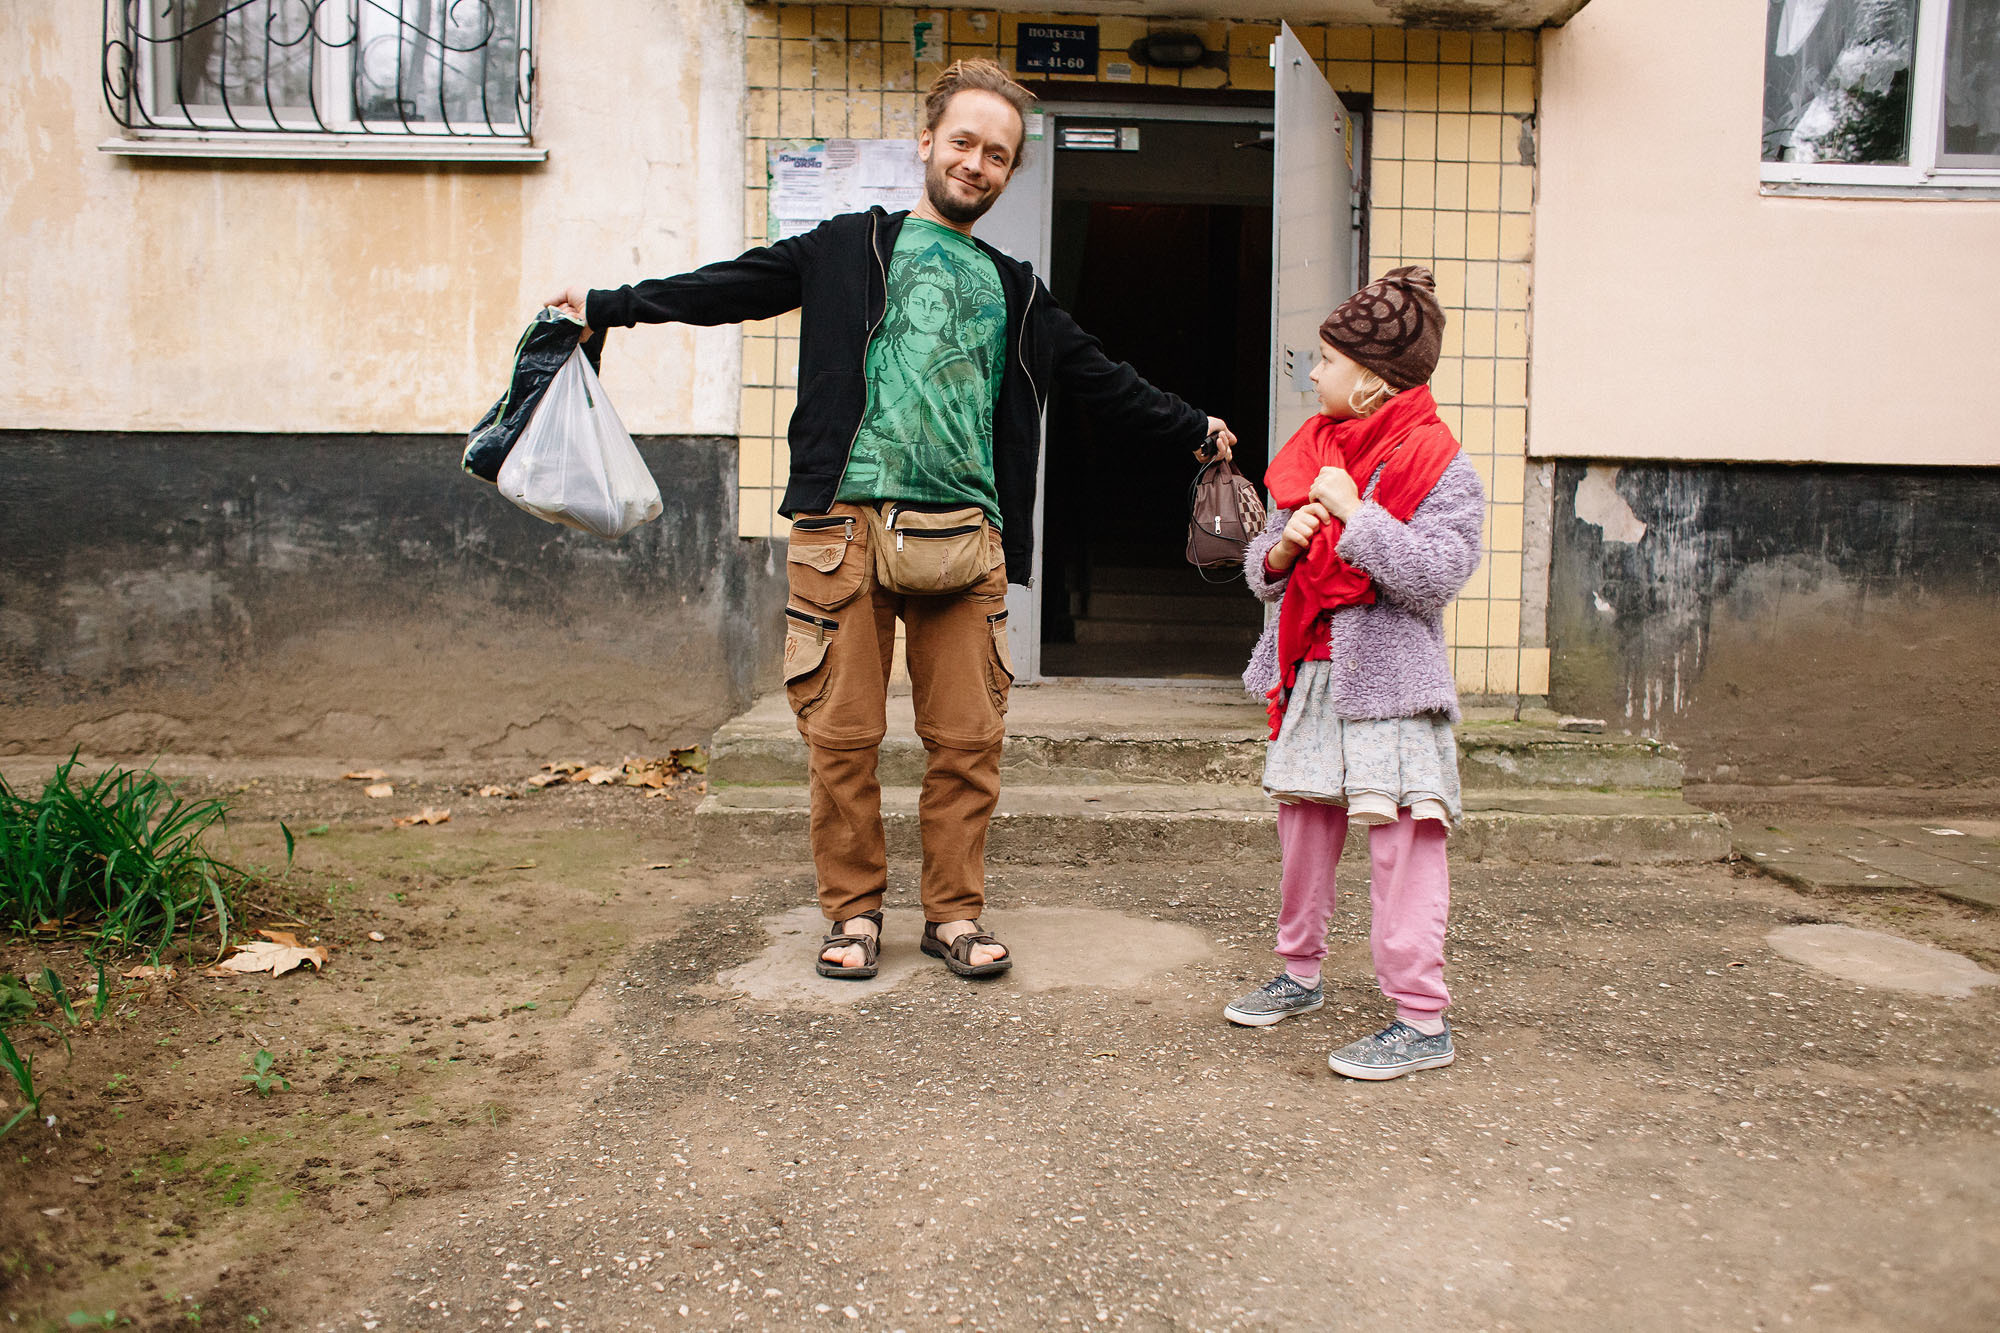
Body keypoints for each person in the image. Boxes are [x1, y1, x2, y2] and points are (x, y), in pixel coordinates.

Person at [548, 59, 1235, 980]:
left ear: (1012, 170)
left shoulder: (1020, 291)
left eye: (998, 154)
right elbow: (733, 286)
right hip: (844, 529)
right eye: (963, 143)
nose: (976, 164)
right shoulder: (846, 247)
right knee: (841, 739)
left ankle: (952, 915)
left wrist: (1196, 428)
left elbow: (1105, 379)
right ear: (927, 144)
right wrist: (610, 308)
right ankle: (856, 913)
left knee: (968, 742)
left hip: (966, 537)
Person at [1222, 267, 1484, 1081]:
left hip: (1393, 687)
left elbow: (1440, 572)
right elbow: (1264, 576)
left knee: (1405, 840)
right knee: (1303, 835)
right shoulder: (1315, 450)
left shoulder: (1441, 464)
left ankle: (1420, 1018)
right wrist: (1285, 547)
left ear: (1371, 379)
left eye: (1328, 361)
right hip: (1312, 674)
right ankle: (1299, 974)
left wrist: (1355, 514)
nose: (1313, 374)